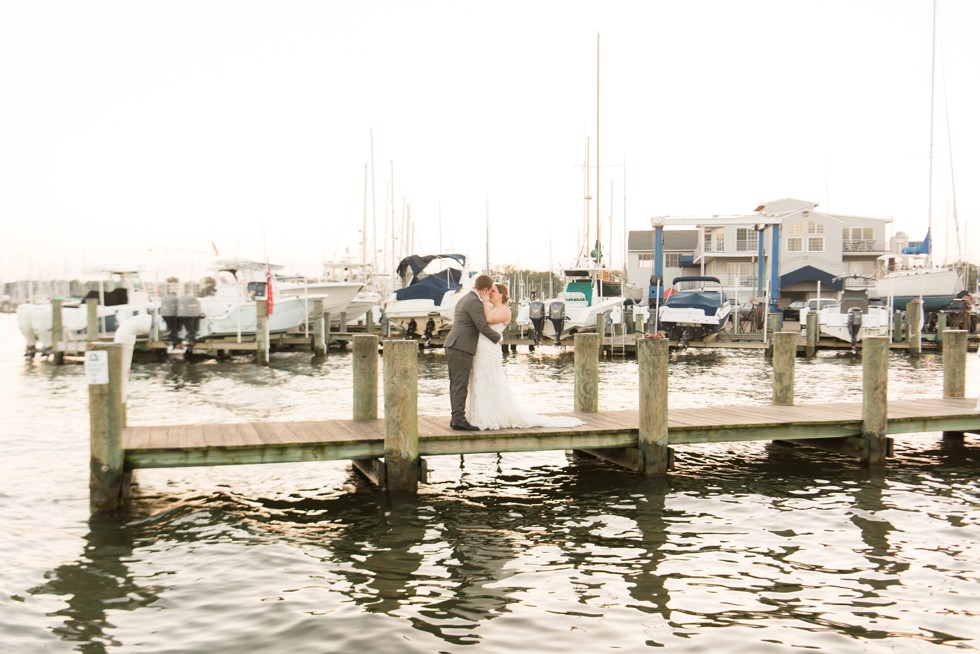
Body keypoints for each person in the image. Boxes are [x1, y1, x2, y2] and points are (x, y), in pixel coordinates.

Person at [466, 282, 585, 430]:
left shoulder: (505, 310)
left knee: (490, 378)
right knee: (479, 377)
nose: (490, 294)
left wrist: (484, 302)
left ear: (501, 294)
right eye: (489, 291)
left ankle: (492, 416)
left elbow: (489, 320)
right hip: (481, 347)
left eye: (493, 291)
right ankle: (478, 415)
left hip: (490, 349)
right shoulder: (490, 307)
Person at [445, 274, 500, 431]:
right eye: (489, 291)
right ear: (484, 289)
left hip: (454, 344)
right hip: (461, 346)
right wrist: (498, 338)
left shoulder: (464, 298)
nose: (490, 295)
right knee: (460, 384)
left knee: (456, 384)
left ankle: (456, 418)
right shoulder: (474, 302)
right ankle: (458, 420)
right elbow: (481, 326)